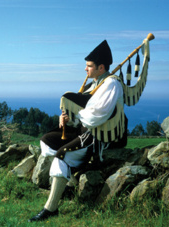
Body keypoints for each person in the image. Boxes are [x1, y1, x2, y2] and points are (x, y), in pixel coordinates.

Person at [28, 40, 126, 222]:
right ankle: (69, 183)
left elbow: (98, 116)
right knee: (46, 140)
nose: (85, 70)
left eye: (89, 66)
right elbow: (82, 113)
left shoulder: (112, 85)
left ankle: (51, 208)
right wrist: (67, 119)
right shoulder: (94, 84)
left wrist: (76, 113)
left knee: (61, 155)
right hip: (83, 130)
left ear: (101, 67)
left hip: (99, 136)